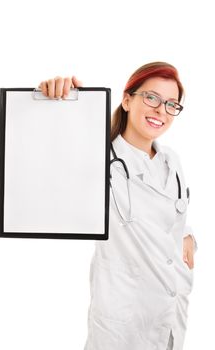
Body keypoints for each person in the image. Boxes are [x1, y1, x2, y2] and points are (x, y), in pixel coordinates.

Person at [39, 62, 197, 350]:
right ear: (127, 100)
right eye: (152, 98)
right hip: (121, 327)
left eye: (171, 104)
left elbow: (167, 213)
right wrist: (58, 101)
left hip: (170, 317)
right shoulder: (98, 159)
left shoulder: (171, 161)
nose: (161, 110)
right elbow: (54, 155)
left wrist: (186, 235)